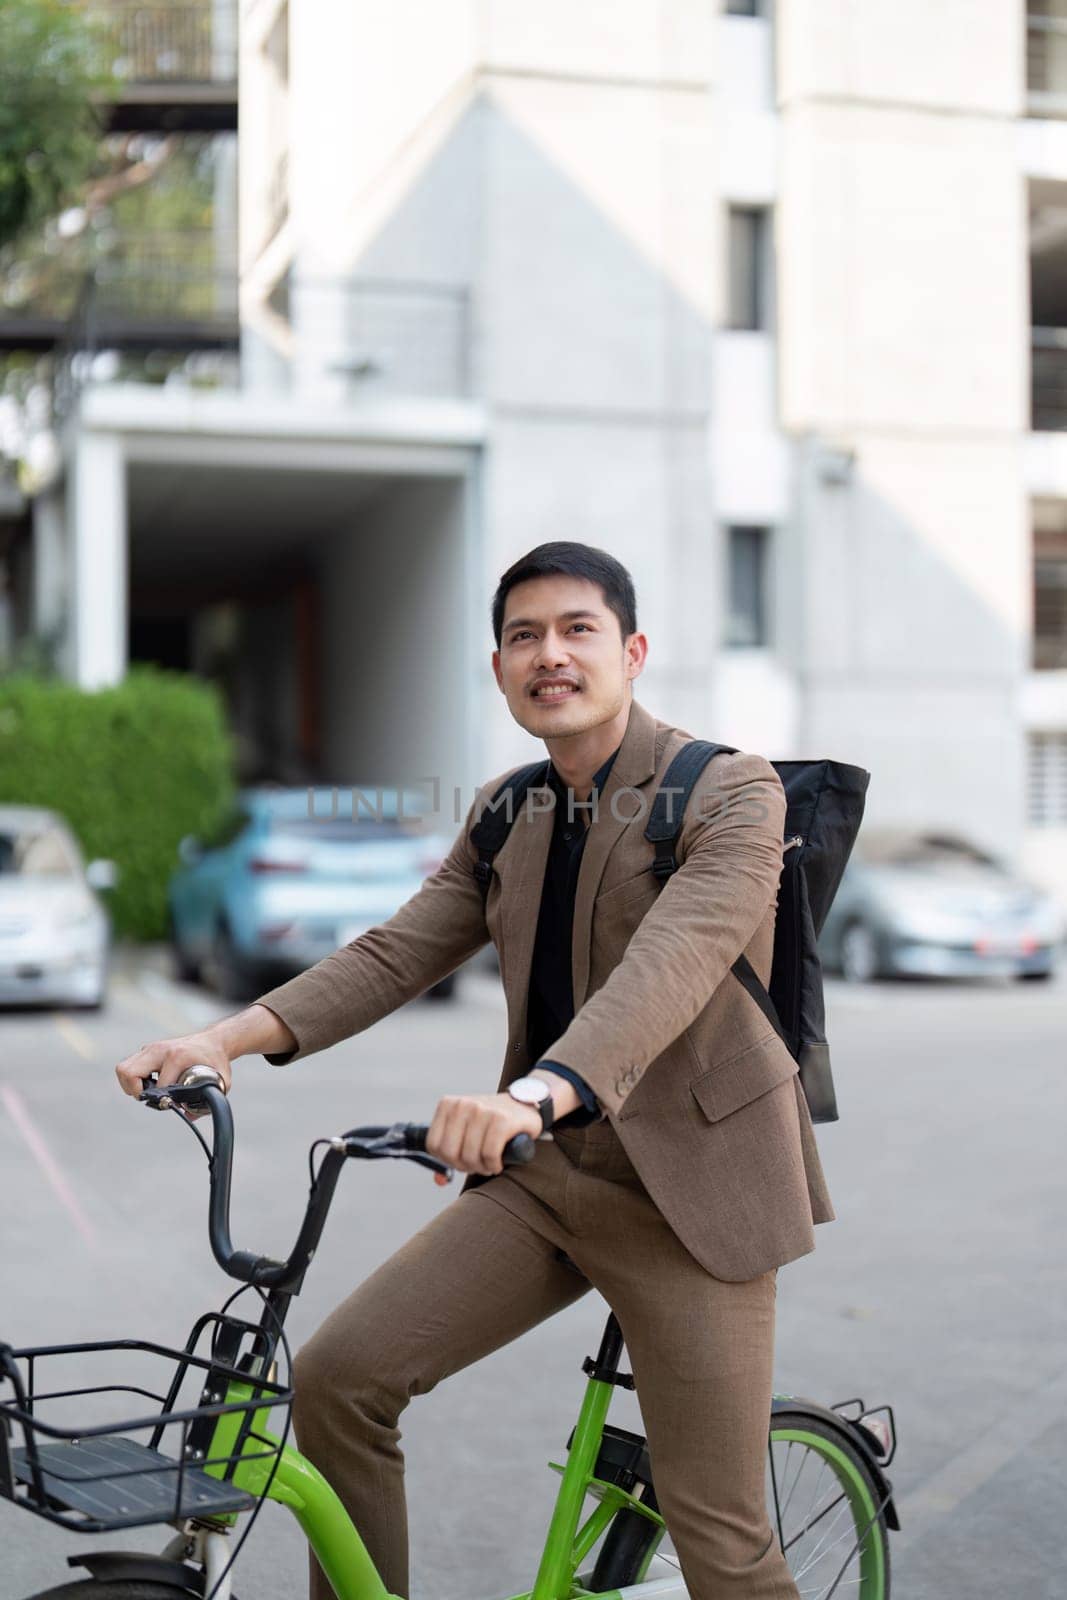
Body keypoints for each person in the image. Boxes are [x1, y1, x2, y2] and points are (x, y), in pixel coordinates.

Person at [116, 541, 833, 1599]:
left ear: (631, 652)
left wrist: (536, 1090)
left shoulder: (730, 791)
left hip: (692, 1196)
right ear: (496, 668)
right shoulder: (507, 811)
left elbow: (668, 964)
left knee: (720, 1541)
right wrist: (226, 1040)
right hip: (547, 1178)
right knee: (339, 1382)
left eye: (576, 629)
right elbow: (395, 951)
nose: (549, 653)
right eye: (521, 636)